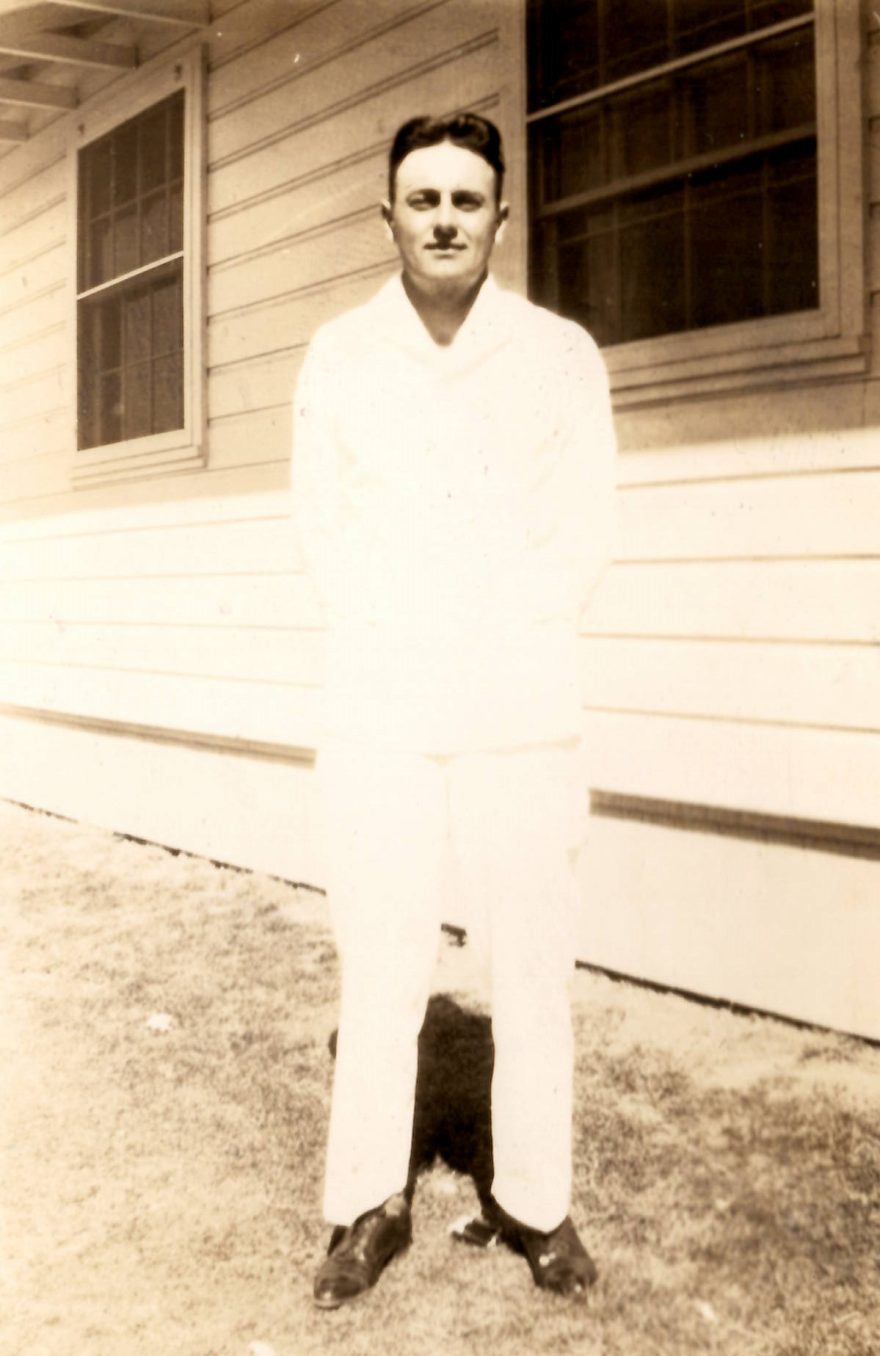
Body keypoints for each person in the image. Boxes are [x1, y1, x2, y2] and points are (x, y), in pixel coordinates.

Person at [291, 112, 617, 1309]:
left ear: (500, 218)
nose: (442, 221)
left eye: (464, 200)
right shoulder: (341, 355)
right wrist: (403, 635)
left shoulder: (557, 354)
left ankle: (535, 1201)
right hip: (382, 705)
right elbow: (323, 531)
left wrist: (501, 632)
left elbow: (582, 530)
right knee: (382, 958)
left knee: (529, 963)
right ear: (387, 216)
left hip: (519, 705)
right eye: (421, 199)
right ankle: (367, 1203)